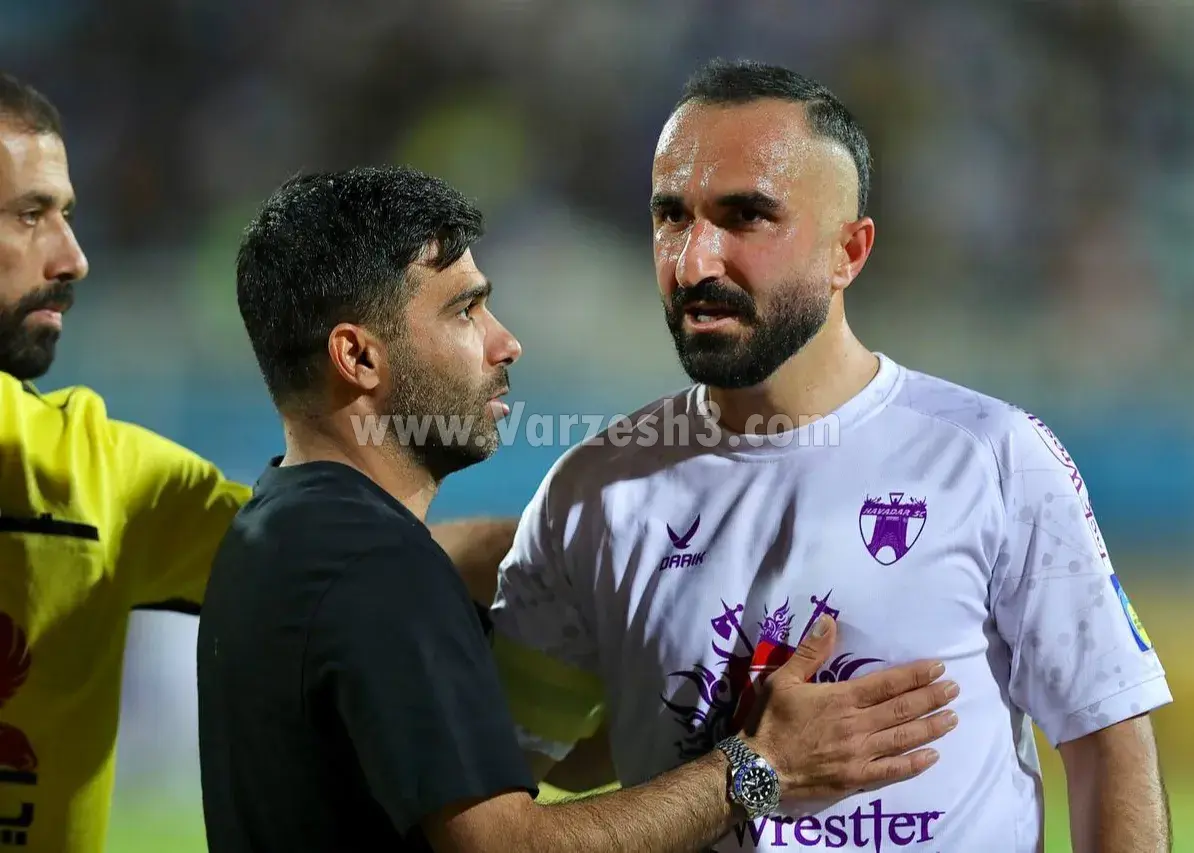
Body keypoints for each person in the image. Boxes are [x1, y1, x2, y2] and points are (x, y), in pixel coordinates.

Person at [487, 59, 1173, 851]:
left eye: (747, 216)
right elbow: (533, 772)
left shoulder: (991, 458)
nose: (694, 261)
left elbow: (1108, 743)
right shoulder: (593, 492)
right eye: (671, 215)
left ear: (849, 250)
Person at [195, 164, 960, 853]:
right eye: (466, 311)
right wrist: (763, 768)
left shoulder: (278, 531)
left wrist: (710, 692)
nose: (505, 343)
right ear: (358, 356)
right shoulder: (378, 564)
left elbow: (554, 755)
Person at [0, 71, 507, 852]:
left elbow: (355, 566)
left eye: (67, 214)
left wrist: (587, 542)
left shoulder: (95, 473)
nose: (74, 257)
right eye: (30, 214)